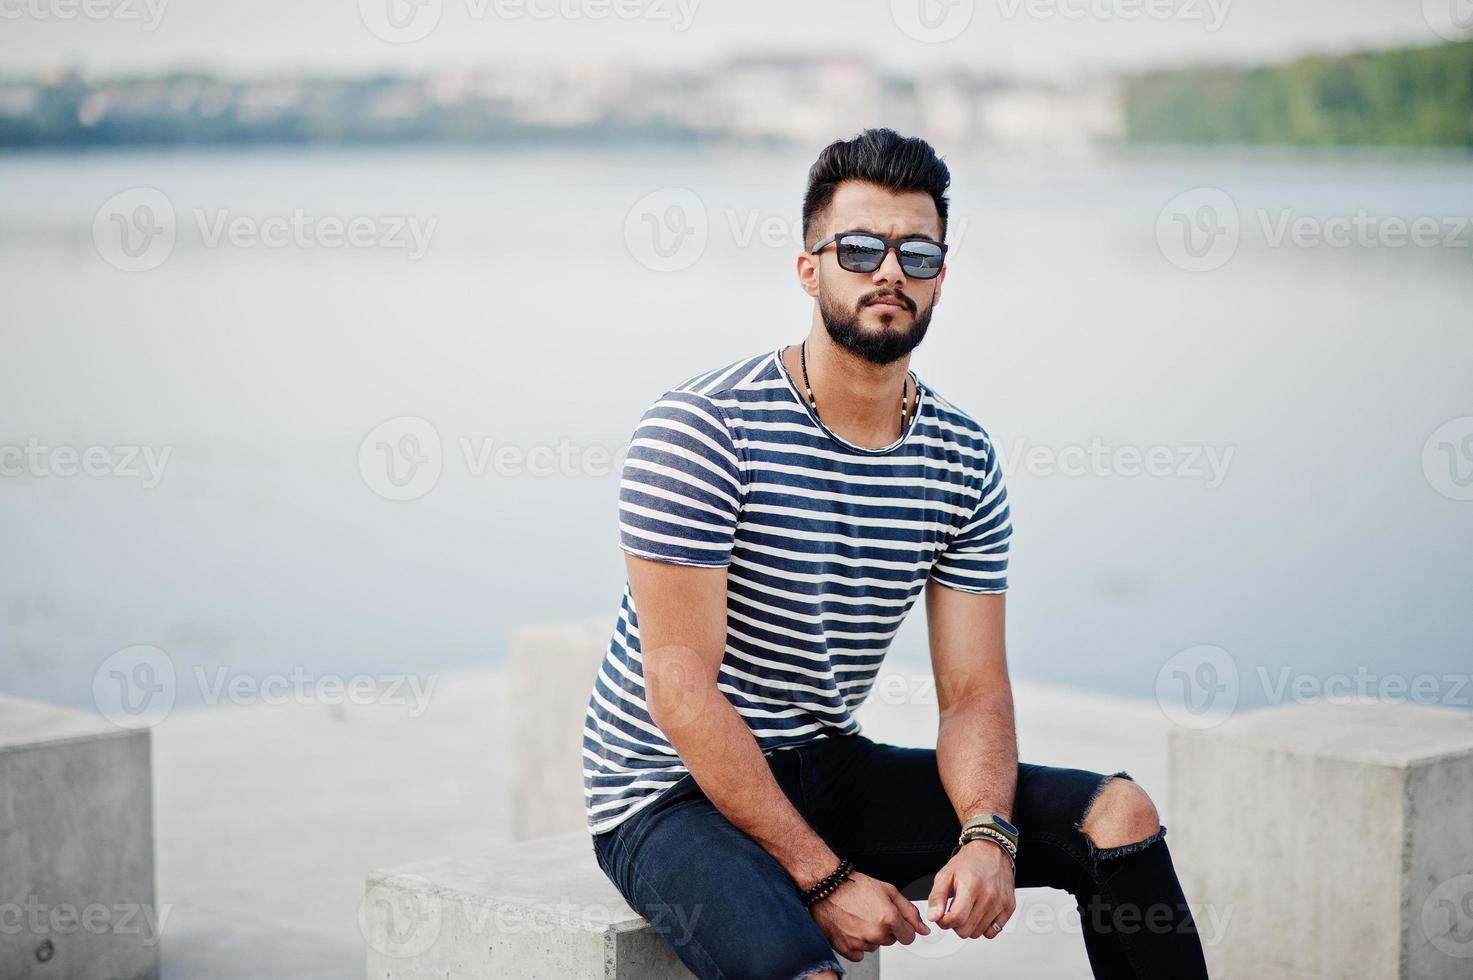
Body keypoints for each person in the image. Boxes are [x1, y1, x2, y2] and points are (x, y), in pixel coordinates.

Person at [582, 127, 1211, 980]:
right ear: (809, 267)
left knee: (1118, 814)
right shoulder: (703, 429)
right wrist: (824, 877)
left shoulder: (960, 455)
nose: (888, 270)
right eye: (858, 248)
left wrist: (988, 833)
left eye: (916, 252)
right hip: (669, 794)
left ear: (941, 276)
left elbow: (971, 690)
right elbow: (679, 687)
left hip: (825, 761)